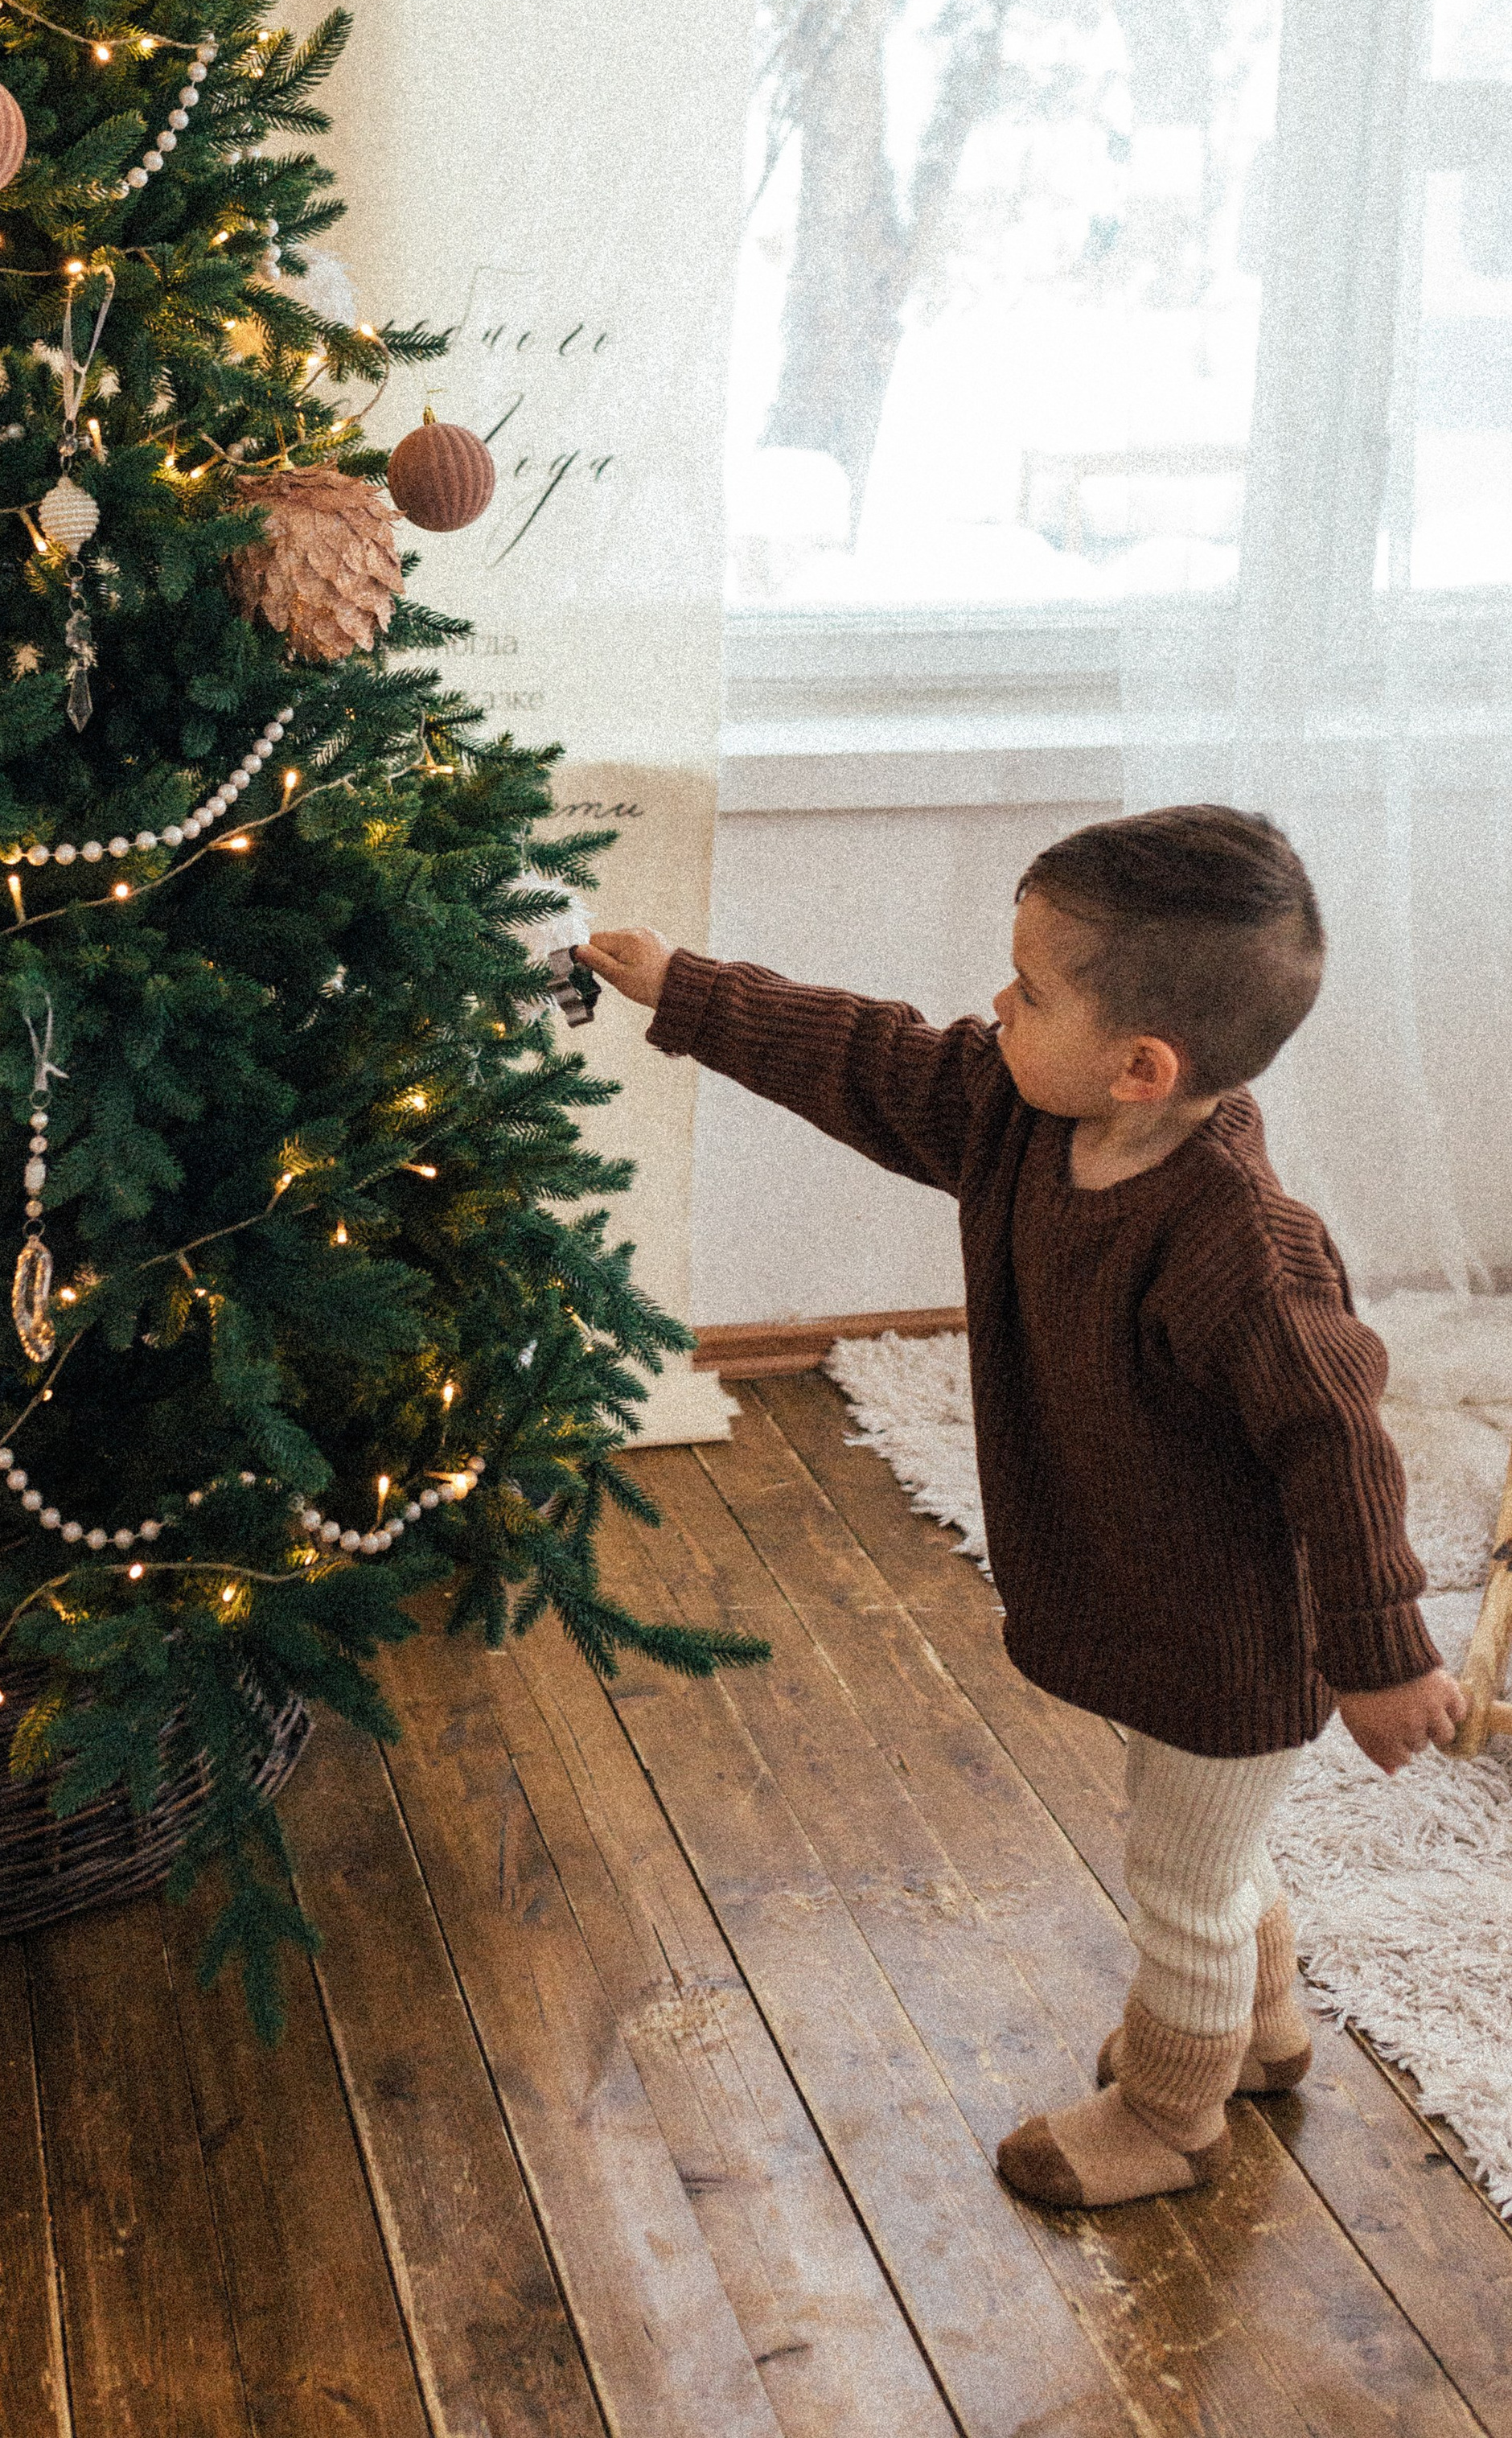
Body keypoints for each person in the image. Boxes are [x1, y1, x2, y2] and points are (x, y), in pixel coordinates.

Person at [577, 805, 1466, 2211]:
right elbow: (860, 1057)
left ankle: (1174, 2117)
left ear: (1140, 1068)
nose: (995, 1006)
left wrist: (1383, 1653)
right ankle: (1265, 2028)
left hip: (1231, 1635)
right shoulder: (1013, 1111)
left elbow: (1340, 1452)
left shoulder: (1242, 1244)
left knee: (1179, 1872)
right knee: (1208, 1847)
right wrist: (688, 989)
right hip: (1140, 1582)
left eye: (1030, 988)